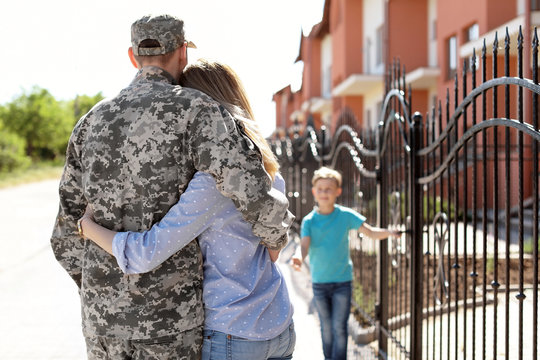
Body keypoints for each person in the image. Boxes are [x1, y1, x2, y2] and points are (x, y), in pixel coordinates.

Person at [51, 15, 294, 359]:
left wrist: (100, 293)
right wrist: (276, 237)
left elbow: (65, 235)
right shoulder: (198, 110)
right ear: (183, 54)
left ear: (133, 56)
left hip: (102, 324)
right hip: (171, 323)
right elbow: (251, 189)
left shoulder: (89, 122)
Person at [291, 166, 398, 360]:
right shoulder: (309, 221)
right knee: (327, 328)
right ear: (314, 192)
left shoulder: (345, 215)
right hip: (320, 284)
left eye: (329, 189)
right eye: (320, 189)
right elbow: (304, 245)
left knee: (340, 328)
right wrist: (298, 257)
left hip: (342, 282)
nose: (324, 193)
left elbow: (370, 232)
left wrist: (390, 232)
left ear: (337, 192)